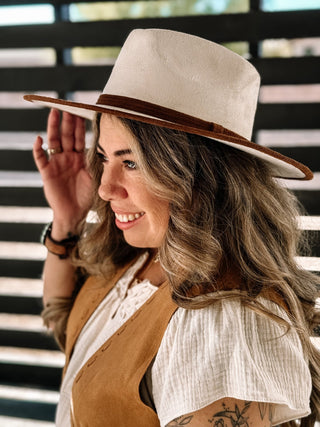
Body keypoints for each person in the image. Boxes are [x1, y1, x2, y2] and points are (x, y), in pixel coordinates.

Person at [24, 29, 320, 427]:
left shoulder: (224, 320)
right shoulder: (142, 258)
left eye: (131, 163)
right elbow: (70, 332)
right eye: (104, 157)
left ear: (199, 176)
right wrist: (67, 222)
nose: (105, 188)